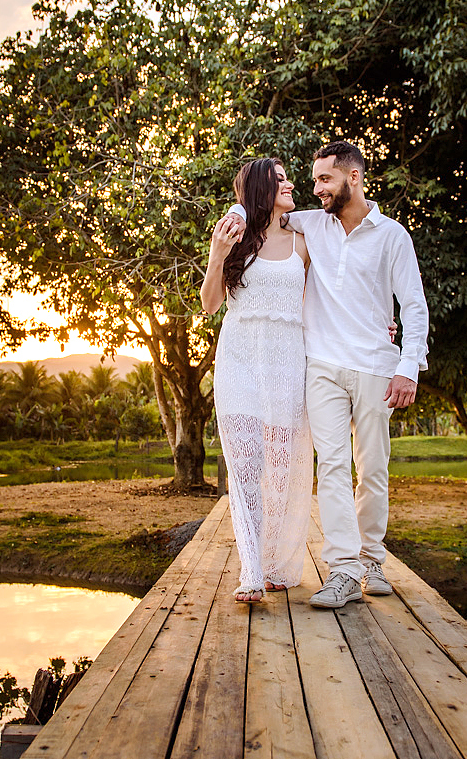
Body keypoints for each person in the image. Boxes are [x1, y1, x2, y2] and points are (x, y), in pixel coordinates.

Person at [222, 140, 429, 609]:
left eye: (324, 180)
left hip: (377, 365)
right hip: (320, 366)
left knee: (372, 469)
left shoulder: (393, 235)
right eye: (312, 180)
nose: (315, 188)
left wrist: (408, 367)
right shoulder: (307, 224)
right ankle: (341, 571)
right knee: (332, 467)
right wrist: (235, 211)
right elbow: (251, 207)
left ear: (352, 179)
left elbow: (414, 307)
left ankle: (372, 560)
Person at [201, 157, 314, 603]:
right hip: (240, 360)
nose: (290, 185)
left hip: (288, 363)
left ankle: (273, 562)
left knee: (281, 470)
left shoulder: (304, 241)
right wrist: (216, 256)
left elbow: (327, 301)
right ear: (261, 190)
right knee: (247, 468)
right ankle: (250, 570)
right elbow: (210, 304)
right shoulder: (234, 236)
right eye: (281, 179)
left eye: (289, 178)